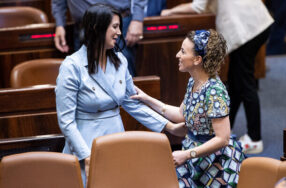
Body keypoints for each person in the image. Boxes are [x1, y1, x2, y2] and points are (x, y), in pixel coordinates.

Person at [55, 4, 185, 187]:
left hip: (115, 138)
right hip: (86, 144)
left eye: (119, 27)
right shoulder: (72, 66)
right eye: (114, 27)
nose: (119, 32)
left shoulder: (120, 61)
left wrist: (169, 126)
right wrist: (86, 156)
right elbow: (66, 121)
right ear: (96, 27)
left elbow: (132, 103)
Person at [131, 29, 246, 187]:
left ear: (197, 59)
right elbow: (180, 114)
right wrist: (147, 99)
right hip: (194, 155)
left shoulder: (214, 91)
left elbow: (223, 139)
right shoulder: (194, 81)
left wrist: (187, 154)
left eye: (183, 51)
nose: (178, 55)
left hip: (215, 162)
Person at [160, 0, 274, 154]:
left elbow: (197, 7)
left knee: (244, 82)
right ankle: (223, 128)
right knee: (236, 81)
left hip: (248, 28)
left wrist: (170, 12)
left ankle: (254, 138)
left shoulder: (212, 88)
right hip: (255, 22)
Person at [51, 0, 146, 76]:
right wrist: (59, 24)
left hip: (117, 22)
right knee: (85, 78)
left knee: (122, 74)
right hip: (83, 27)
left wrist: (137, 18)